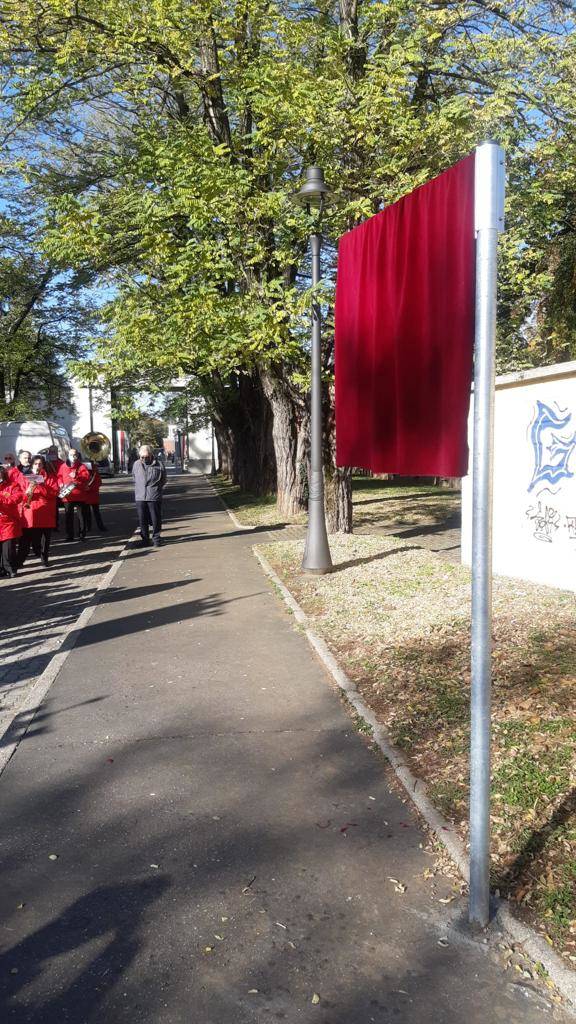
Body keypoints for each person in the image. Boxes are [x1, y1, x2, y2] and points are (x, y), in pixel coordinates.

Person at [17, 455, 59, 569]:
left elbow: (54, 493)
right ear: (31, 465)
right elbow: (18, 494)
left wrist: (41, 486)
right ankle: (19, 561)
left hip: (45, 512)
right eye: (35, 464)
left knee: (44, 539)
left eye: (40, 464)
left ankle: (44, 559)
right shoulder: (24, 477)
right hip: (30, 511)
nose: (38, 466)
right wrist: (26, 492)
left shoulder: (50, 477)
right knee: (25, 539)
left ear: (43, 465)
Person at [133, 444, 166, 547]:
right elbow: (134, 478)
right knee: (142, 519)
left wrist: (156, 489)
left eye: (146, 457)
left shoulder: (159, 465)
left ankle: (156, 539)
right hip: (140, 496)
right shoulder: (136, 464)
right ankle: (145, 540)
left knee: (155, 518)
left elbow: (163, 480)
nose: (143, 459)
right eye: (142, 457)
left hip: (154, 495)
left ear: (151, 455)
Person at [58, 449, 91, 542]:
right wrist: (60, 483)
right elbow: (59, 476)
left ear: (77, 456)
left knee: (81, 516)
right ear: (68, 455)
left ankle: (82, 534)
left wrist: (76, 476)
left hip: (80, 495)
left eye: (75, 455)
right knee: (68, 516)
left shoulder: (81, 466)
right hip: (68, 495)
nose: (73, 456)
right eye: (71, 454)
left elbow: (86, 477)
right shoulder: (63, 466)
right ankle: (70, 535)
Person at [0, 466, 24, 578]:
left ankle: (10, 568)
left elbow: (17, 498)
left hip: (9, 521)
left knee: (9, 548)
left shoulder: (13, 485)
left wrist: (2, 500)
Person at [84, 462, 107, 532]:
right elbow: (99, 483)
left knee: (92, 513)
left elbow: (99, 482)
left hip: (91, 495)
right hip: (90, 495)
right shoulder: (92, 472)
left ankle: (91, 527)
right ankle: (97, 527)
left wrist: (89, 488)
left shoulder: (94, 472)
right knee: (92, 513)